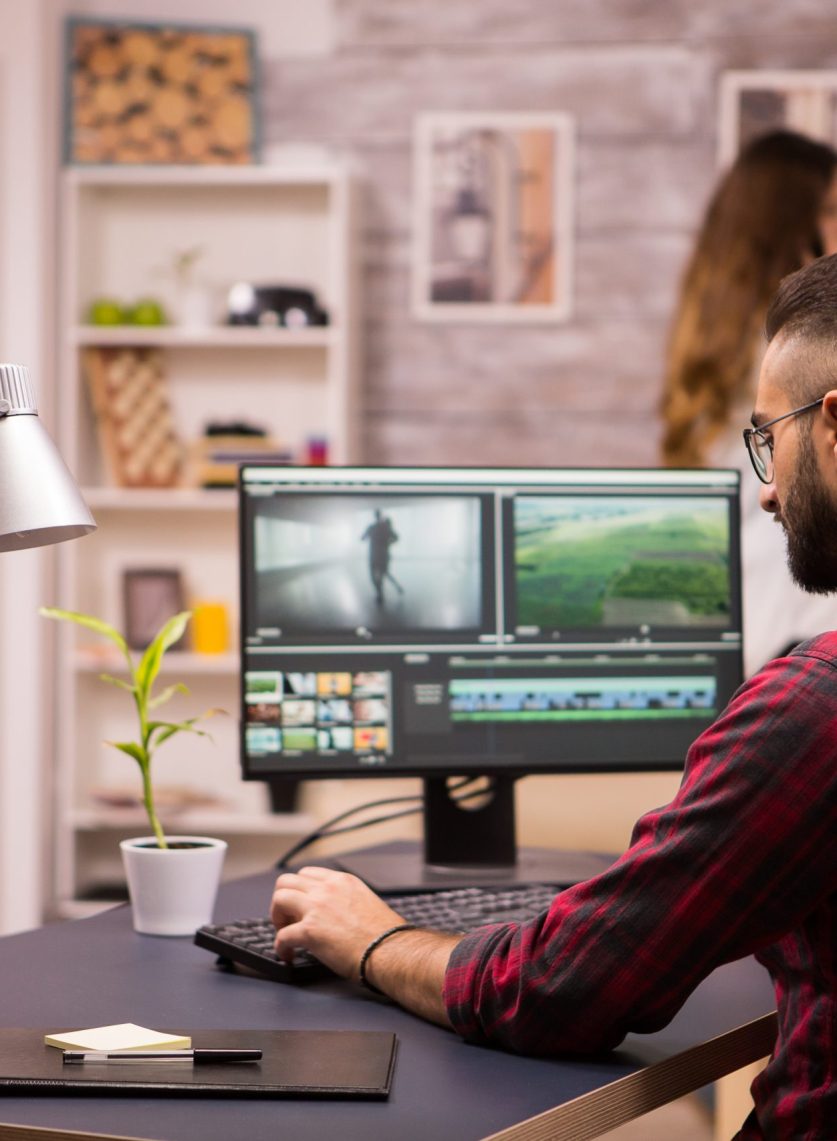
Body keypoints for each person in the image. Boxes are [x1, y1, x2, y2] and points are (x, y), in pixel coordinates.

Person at [270, 253, 837, 1140]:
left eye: (768, 437)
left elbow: (564, 988)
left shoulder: (814, 710)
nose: (764, 489)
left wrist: (373, 938)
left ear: (833, 426)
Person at [660, 128, 837, 675]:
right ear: (792, 231)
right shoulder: (795, 358)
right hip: (797, 642)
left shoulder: (716, 363)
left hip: (752, 649)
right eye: (833, 209)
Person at [361, 509, 401, 604]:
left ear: (375, 516)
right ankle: (387, 591)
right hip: (383, 555)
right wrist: (388, 544)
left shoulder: (372, 527)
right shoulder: (385, 527)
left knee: (375, 576)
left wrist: (369, 537)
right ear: (381, 516)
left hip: (374, 556)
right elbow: (396, 538)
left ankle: (380, 594)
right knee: (384, 574)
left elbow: (362, 538)